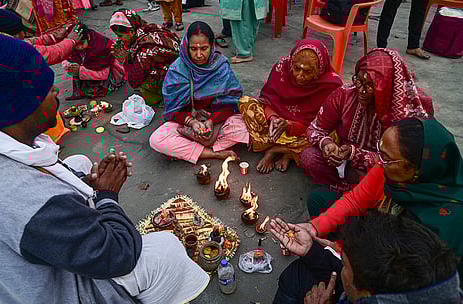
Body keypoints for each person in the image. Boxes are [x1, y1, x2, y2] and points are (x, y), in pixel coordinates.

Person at [0, 31, 209, 304]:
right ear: (19, 108)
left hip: (23, 267)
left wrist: (84, 184)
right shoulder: (28, 200)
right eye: (45, 90)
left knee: (76, 161)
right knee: (165, 249)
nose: (56, 93)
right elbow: (119, 253)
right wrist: (107, 196)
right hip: (50, 301)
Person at [304, 117, 463, 281]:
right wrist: (313, 228)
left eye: (386, 158)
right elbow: (356, 200)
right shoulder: (390, 173)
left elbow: (397, 272)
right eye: (380, 151)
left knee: (303, 273)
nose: (379, 162)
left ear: (416, 169)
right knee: (320, 199)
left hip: (402, 280)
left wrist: (340, 250)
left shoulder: (441, 224)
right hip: (377, 244)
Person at [269, 212, 462, 304]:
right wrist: (311, 249)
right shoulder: (430, 291)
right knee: (303, 268)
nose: (341, 268)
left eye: (344, 265)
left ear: (366, 295)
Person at [300, 48, 433, 192]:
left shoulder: (406, 111)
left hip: (382, 168)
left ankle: (357, 198)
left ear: (387, 86)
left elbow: (403, 163)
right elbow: (315, 129)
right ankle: (346, 192)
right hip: (344, 161)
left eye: (370, 86)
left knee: (393, 182)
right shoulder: (344, 95)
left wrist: (355, 154)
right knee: (309, 157)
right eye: (359, 81)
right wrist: (327, 144)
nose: (361, 91)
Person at [149, 21, 248, 163]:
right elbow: (173, 111)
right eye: (193, 49)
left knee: (247, 126)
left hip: (217, 121)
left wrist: (211, 121)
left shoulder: (220, 66)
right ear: (186, 47)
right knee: (156, 140)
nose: (199, 54)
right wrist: (192, 123)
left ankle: (192, 149)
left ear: (212, 46)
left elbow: (232, 103)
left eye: (204, 48)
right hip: (188, 121)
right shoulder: (177, 70)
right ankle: (214, 153)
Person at [239, 40, 343, 174]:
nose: (299, 76)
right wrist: (273, 118)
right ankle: (290, 152)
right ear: (291, 64)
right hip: (274, 126)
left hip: (304, 132)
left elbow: (322, 126)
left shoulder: (331, 85)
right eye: (296, 68)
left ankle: (279, 151)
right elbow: (267, 99)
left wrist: (289, 125)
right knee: (246, 103)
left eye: (307, 72)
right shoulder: (282, 68)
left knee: (333, 137)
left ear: (319, 70)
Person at [110, 8, 180, 106]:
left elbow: (134, 81)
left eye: (120, 35)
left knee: (141, 80)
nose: (118, 39)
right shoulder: (148, 28)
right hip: (177, 67)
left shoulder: (145, 49)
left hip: (176, 79)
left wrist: (124, 60)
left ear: (131, 31)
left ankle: (162, 97)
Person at [0, 8, 83, 65]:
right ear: (15, 34)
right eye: (21, 31)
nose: (24, 35)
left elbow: (29, 42)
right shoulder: (14, 49)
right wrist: (71, 41)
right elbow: (51, 54)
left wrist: (54, 38)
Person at [62, 23, 125, 100]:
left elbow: (103, 74)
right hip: (86, 71)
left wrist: (81, 70)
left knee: (95, 90)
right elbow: (66, 59)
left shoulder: (100, 47)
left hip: (107, 75)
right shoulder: (72, 47)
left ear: (88, 37)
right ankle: (80, 91)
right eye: (76, 45)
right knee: (75, 68)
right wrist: (70, 66)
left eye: (82, 43)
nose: (79, 47)